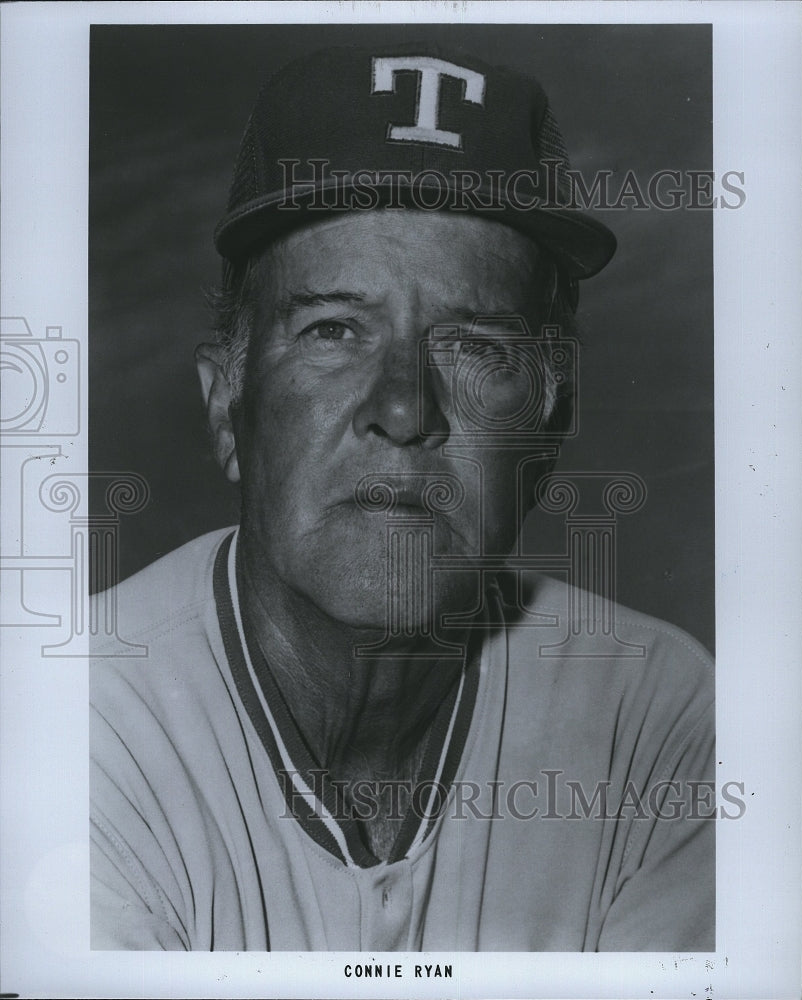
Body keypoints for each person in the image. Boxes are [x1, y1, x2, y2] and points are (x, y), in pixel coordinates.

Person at [90, 43, 714, 952]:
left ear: (547, 428)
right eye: (333, 328)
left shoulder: (656, 719)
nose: (403, 409)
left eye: (474, 346)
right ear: (229, 401)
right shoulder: (68, 726)